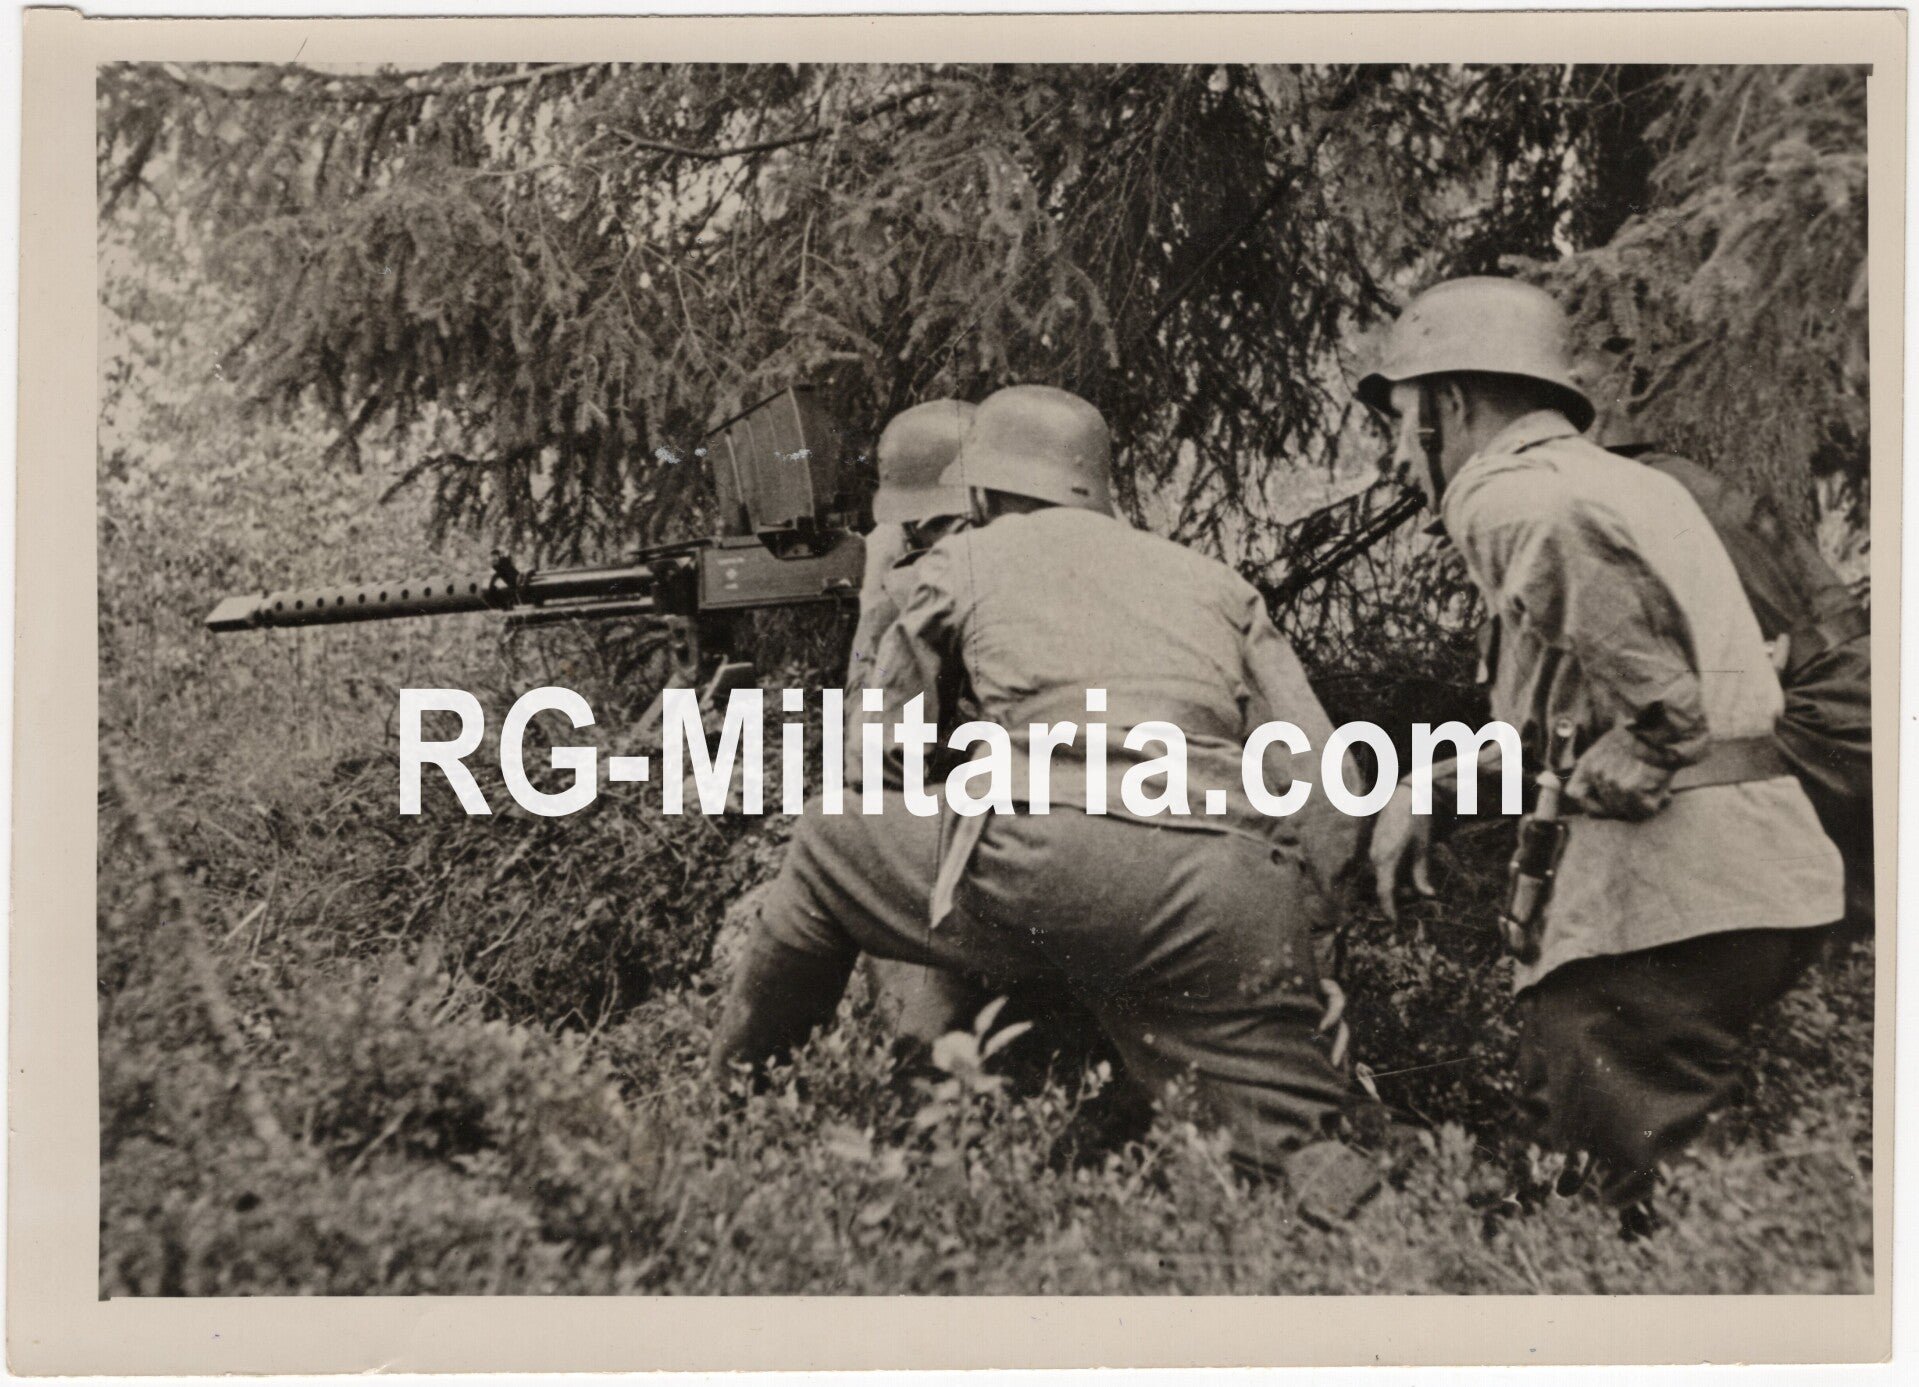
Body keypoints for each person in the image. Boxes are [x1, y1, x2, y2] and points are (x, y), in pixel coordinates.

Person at [716, 384, 1379, 1197]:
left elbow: (873, 768)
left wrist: (874, 615)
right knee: (1296, 1156)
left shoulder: (964, 561)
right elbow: (1332, 794)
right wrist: (1300, 953)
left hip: (1049, 860)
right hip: (1228, 887)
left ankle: (733, 1112)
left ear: (984, 493)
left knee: (828, 839)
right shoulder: (1215, 582)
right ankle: (1382, 1233)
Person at [1357, 277, 1845, 1220]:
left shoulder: (1512, 496)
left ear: (1449, 403)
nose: (1394, 453)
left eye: (1397, 417)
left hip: (1659, 905)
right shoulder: (1625, 482)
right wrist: (1439, 784)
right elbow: (1579, 718)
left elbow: (1648, 691)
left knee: (1608, 1207)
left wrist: (1658, 730)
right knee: (1657, 1184)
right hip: (1738, 883)